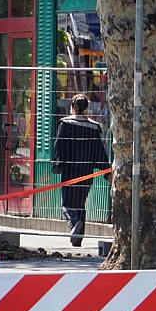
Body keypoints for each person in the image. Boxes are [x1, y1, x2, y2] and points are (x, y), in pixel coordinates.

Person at [52, 94, 110, 247]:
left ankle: (74, 223)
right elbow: (99, 151)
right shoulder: (94, 127)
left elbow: (59, 145)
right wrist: (107, 172)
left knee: (67, 204)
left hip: (70, 170)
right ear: (86, 108)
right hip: (87, 171)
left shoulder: (65, 123)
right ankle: (77, 240)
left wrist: (57, 164)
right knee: (80, 203)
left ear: (72, 107)